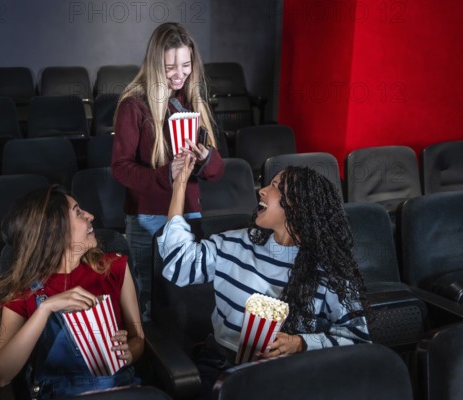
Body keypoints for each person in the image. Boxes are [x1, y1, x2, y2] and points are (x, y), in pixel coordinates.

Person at [159, 158, 371, 398]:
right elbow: (179, 264)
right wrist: (179, 186)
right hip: (222, 367)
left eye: (276, 187)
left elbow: (358, 340)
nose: (262, 190)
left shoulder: (330, 270)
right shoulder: (235, 243)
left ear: (299, 207)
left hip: (291, 376)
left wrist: (299, 343)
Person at [0, 184, 144, 399]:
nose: (90, 216)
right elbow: (0, 375)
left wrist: (129, 353)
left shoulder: (115, 267)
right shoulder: (23, 292)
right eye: (78, 212)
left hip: (120, 390)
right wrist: (46, 309)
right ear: (53, 232)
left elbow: (138, 339)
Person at [111, 22, 224, 320]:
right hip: (149, 218)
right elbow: (120, 169)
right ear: (154, 64)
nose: (179, 74)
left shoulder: (192, 100)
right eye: (169, 67)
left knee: (188, 301)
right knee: (149, 304)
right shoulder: (133, 105)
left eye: (186, 65)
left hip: (189, 213)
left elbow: (216, 172)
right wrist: (166, 175)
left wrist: (205, 157)